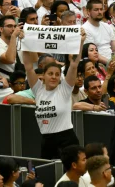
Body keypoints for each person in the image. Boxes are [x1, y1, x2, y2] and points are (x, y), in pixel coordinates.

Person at [22, 28, 86, 159]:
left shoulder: (64, 89)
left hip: (67, 140)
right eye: (50, 74)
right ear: (43, 76)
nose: (54, 77)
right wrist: (24, 41)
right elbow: (28, 66)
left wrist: (80, 42)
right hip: (47, 141)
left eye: (57, 74)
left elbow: (74, 64)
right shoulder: (38, 89)